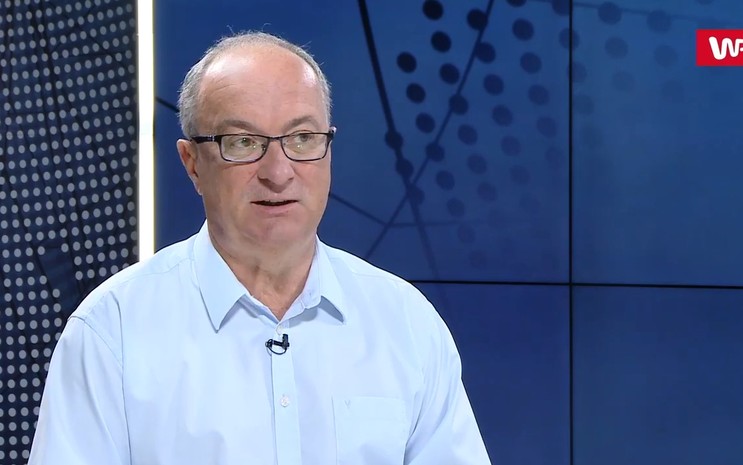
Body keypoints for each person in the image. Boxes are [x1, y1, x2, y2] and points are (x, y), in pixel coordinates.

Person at [28, 31, 491, 465]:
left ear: (328, 148)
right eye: (244, 142)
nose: (278, 172)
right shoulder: (112, 331)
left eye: (302, 139)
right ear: (192, 163)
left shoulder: (405, 323)